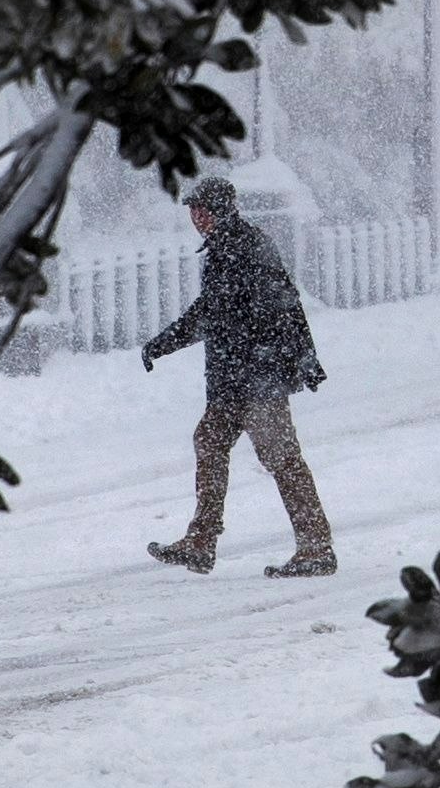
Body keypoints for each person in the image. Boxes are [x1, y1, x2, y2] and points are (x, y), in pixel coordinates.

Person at [139, 175, 337, 577]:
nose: (196, 217)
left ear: (221, 210)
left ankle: (316, 548)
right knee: (209, 441)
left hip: (257, 379)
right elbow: (225, 310)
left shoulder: (243, 247)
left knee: (282, 459)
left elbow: (276, 304)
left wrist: (303, 356)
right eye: (193, 210)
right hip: (234, 379)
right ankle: (201, 541)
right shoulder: (227, 247)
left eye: (202, 209)